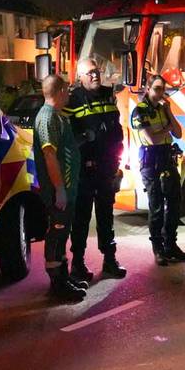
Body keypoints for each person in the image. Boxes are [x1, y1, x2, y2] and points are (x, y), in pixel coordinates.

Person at [65, 58, 126, 281]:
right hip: (85, 170)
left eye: (97, 71)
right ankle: (78, 263)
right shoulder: (73, 100)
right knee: (81, 218)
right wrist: (85, 138)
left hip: (107, 167)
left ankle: (110, 259)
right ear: (80, 77)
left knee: (106, 215)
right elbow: (69, 138)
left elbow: (116, 131)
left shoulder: (108, 96)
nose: (95, 75)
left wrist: (116, 164)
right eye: (90, 73)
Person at [33, 75, 87, 301]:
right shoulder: (47, 117)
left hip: (66, 187)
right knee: (56, 234)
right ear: (61, 91)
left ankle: (64, 277)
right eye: (67, 90)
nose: (70, 95)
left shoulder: (56, 116)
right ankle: (57, 284)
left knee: (63, 232)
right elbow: (49, 154)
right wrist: (59, 189)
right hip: (58, 190)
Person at [131, 75, 185, 265]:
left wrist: (169, 112)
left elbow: (178, 133)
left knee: (174, 202)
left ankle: (170, 245)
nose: (160, 93)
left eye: (162, 89)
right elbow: (152, 139)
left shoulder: (163, 109)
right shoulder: (140, 110)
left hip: (166, 157)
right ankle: (158, 249)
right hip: (151, 160)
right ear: (147, 89)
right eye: (156, 88)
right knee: (156, 205)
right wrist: (167, 128)